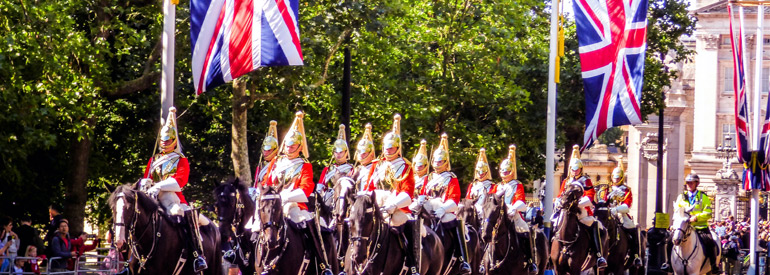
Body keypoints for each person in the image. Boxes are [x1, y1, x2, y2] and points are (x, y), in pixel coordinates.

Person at [137, 107, 208, 272]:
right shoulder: (153, 160)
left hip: (172, 199)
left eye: (168, 140)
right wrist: (145, 184)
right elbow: (147, 177)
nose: (164, 143)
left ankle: (197, 256)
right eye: (163, 140)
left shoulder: (181, 159)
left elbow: (180, 182)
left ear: (174, 140)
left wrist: (158, 186)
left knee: (182, 215)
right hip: (152, 198)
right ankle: (131, 261)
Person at [262, 111, 333, 275]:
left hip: (293, 205)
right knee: (251, 225)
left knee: (311, 224)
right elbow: (267, 183)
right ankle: (248, 257)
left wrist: (286, 196)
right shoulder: (276, 162)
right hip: (272, 205)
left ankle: (323, 264)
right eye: (287, 145)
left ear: (300, 147)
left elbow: (307, 188)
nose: (289, 148)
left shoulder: (304, 165)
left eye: (293, 146)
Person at [365, 114, 420, 275]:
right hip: (376, 207)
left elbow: (408, 193)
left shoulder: (405, 167)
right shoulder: (377, 165)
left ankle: (412, 263)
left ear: (397, 148)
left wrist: (393, 205)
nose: (388, 151)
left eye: (391, 148)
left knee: (407, 227)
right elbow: (369, 187)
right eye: (386, 148)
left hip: (396, 209)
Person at [418, 134, 471, 275]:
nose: (437, 164)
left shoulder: (451, 178)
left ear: (446, 162)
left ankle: (462, 259)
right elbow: (423, 193)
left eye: (440, 161)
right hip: (428, 208)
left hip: (444, 208)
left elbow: (454, 198)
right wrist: (418, 202)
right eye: (435, 161)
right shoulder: (428, 177)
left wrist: (443, 208)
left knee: (453, 221)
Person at [555, 145, 607, 268]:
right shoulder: (566, 181)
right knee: (553, 224)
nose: (574, 171)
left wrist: (576, 204)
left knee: (595, 225)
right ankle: (549, 254)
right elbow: (560, 195)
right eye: (573, 169)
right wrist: (558, 202)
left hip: (581, 211)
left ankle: (599, 256)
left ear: (581, 169)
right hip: (565, 210)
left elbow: (590, 197)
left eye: (577, 169)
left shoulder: (586, 181)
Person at [489, 145, 538, 274]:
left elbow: (521, 201)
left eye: (506, 172)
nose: (504, 174)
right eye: (503, 172)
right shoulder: (496, 186)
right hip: (497, 217)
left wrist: (513, 208)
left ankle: (530, 260)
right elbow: (490, 201)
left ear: (511, 171)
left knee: (525, 230)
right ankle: (484, 261)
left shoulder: (517, 185)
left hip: (513, 216)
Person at [662, 173, 719, 272]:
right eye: (687, 183)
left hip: (699, 227)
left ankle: (714, 265)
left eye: (691, 183)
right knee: (670, 240)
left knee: (710, 242)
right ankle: (668, 264)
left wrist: (696, 217)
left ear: (696, 184)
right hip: (683, 227)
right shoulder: (681, 197)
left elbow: (708, 213)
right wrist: (675, 224)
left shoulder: (703, 197)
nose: (689, 185)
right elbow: (677, 211)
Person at [601, 157, 642, 267]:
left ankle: (636, 255)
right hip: (609, 212)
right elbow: (604, 201)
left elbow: (627, 205)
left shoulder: (626, 190)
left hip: (621, 214)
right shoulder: (607, 189)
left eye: (618, 177)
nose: (616, 179)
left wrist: (616, 209)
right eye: (614, 177)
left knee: (632, 228)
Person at [317, 124, 354, 196]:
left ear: (346, 153)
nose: (338, 154)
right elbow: (321, 186)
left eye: (341, 152)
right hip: (329, 197)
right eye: (336, 152)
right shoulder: (328, 169)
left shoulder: (351, 169)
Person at [253, 120, 280, 199]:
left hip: (274, 194)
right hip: (260, 194)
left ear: (275, 150)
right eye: (264, 150)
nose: (265, 152)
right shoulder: (261, 165)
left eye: (269, 150)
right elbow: (256, 182)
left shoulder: (278, 163)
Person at [465, 148, 495, 216]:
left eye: (482, 172)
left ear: (487, 172)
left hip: (486, 213)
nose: (480, 174)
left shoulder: (492, 186)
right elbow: (468, 199)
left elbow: (492, 202)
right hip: (472, 212)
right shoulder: (472, 185)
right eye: (478, 172)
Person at [350, 123, 376, 192]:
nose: (361, 155)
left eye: (364, 153)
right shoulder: (356, 170)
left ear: (371, 154)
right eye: (360, 152)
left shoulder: (376, 169)